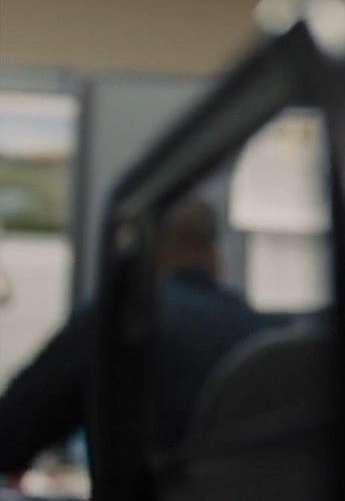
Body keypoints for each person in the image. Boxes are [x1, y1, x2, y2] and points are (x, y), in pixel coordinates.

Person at [0, 198, 272, 474]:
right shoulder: (257, 332)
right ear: (215, 257)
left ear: (141, 252)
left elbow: (12, 432)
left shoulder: (119, 322)